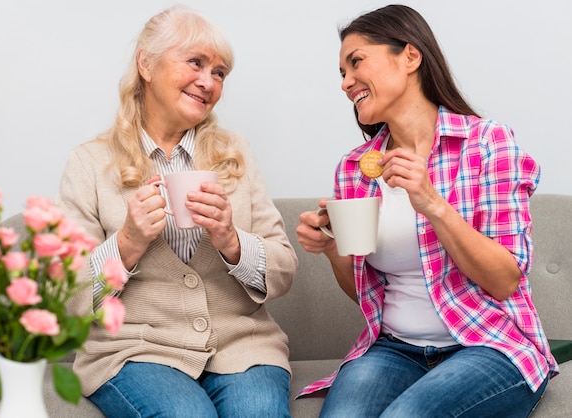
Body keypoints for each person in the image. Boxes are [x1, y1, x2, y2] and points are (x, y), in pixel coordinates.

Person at [295, 4, 558, 417]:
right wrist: (332, 248)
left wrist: (432, 203)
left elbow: (506, 279)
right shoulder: (355, 168)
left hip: (488, 343)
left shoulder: (487, 144)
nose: (346, 83)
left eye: (356, 62)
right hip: (394, 349)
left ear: (410, 57)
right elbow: (364, 290)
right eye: (341, 73)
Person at [56, 5, 297, 417]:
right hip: (135, 350)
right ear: (146, 64)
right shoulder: (89, 163)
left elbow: (284, 268)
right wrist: (128, 243)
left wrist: (232, 241)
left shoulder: (235, 154)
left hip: (241, 347)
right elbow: (68, 296)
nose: (208, 82)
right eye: (196, 63)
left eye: (219, 72)